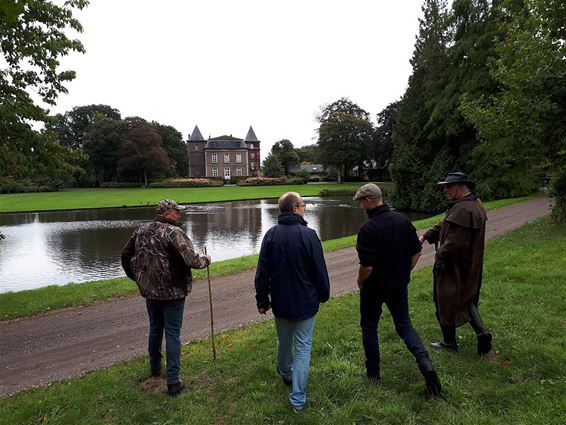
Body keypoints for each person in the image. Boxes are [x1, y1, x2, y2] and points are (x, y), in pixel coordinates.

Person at [354, 183, 441, 396]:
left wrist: (360, 282)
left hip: (374, 287)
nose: (361, 207)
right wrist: (404, 272)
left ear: (368, 201)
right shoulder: (403, 220)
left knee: (369, 327)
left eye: (361, 203)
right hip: (398, 285)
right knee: (404, 325)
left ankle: (373, 373)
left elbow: (367, 266)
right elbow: (417, 252)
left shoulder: (368, 229)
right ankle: (424, 362)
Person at [121, 199, 211, 396]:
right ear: (167, 213)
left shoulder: (141, 230)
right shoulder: (174, 233)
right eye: (176, 212)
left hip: (150, 292)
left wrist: (138, 278)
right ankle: (173, 381)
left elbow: (125, 255)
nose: (179, 215)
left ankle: (155, 370)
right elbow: (192, 260)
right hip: (174, 292)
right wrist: (205, 260)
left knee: (155, 328)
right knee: (172, 333)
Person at [255, 192, 330, 413]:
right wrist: (324, 294)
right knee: (303, 347)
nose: (304, 208)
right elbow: (319, 271)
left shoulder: (270, 235)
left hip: (281, 302)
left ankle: (286, 374)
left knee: (284, 341)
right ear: (295, 208)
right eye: (303, 205)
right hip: (305, 302)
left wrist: (263, 300)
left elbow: (262, 273)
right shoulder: (308, 235)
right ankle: (297, 398)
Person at [419, 172, 492, 355]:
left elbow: (454, 244)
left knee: (444, 299)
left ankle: (449, 342)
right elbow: (446, 224)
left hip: (456, 267)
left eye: (448, 186)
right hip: (469, 264)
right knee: (466, 299)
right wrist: (427, 235)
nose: (445, 190)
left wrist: (439, 258)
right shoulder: (472, 203)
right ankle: (482, 334)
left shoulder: (463, 209)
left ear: (461, 186)